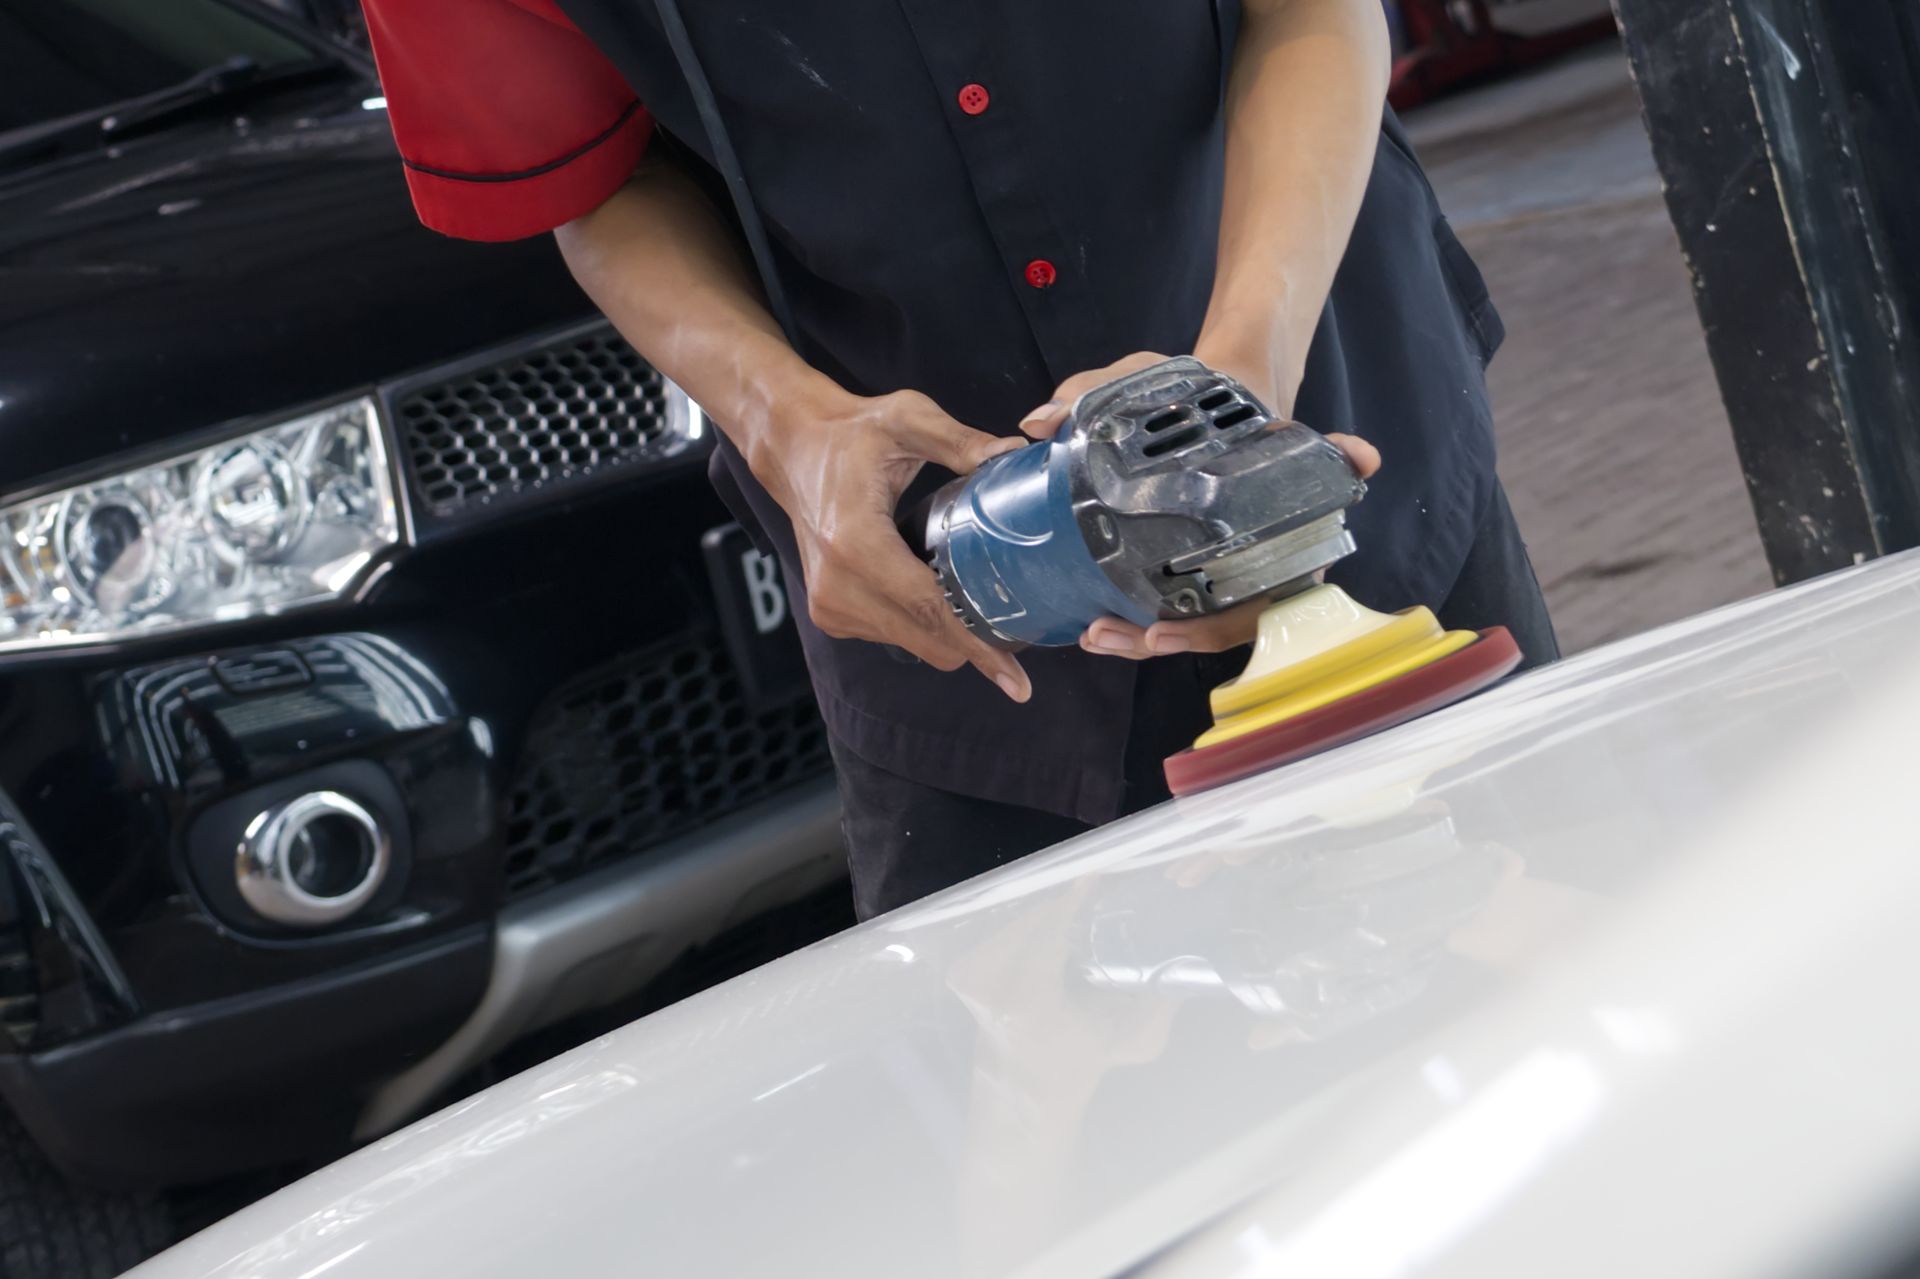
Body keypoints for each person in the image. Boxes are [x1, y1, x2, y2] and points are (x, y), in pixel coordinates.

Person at [360, 0, 1558, 919]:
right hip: (957, 632)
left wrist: (1240, 380)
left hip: (1340, 455)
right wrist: (785, 425)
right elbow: (597, 174)